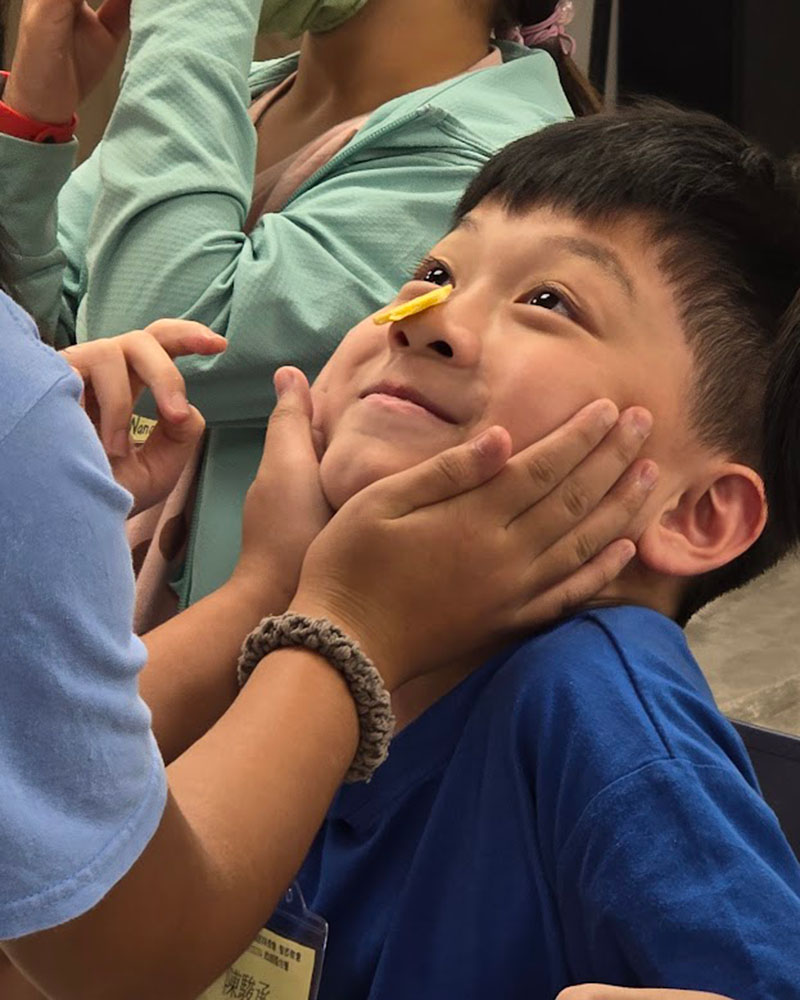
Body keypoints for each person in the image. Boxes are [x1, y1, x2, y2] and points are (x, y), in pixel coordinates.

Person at [253, 103, 800, 998]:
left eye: (549, 302)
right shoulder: (321, 661)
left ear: (696, 513)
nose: (428, 320)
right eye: (435, 271)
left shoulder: (596, 700)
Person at [0, 0, 598, 619]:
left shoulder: (487, 161)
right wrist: (31, 126)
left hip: (244, 679)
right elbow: (33, 357)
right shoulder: (248, 95)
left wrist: (192, 17)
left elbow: (165, 344)